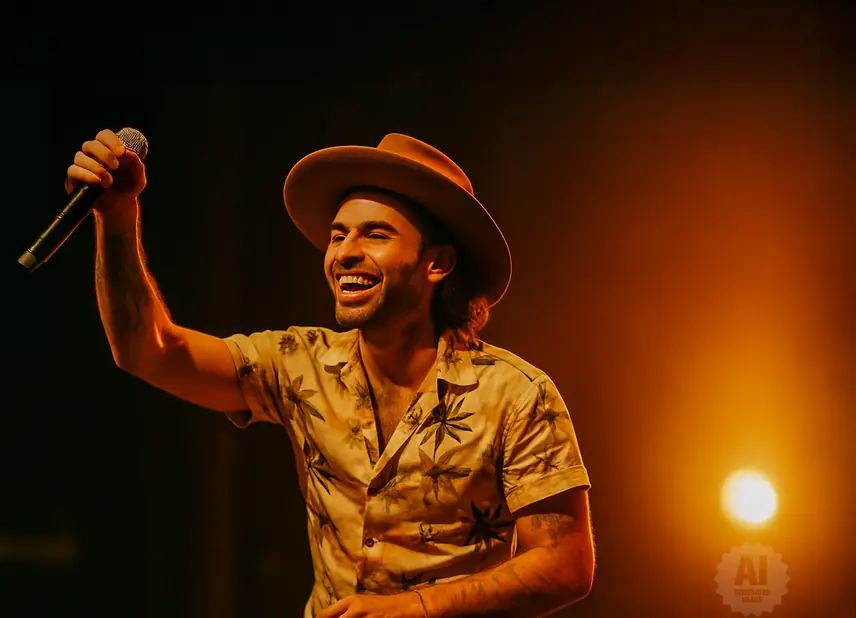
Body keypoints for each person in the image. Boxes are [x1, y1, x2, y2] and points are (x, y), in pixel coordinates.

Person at [67, 129, 595, 618]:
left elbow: (566, 565)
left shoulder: (516, 393)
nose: (344, 253)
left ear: (438, 263)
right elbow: (148, 350)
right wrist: (117, 216)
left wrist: (415, 608)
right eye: (338, 235)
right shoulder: (300, 363)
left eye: (375, 234)